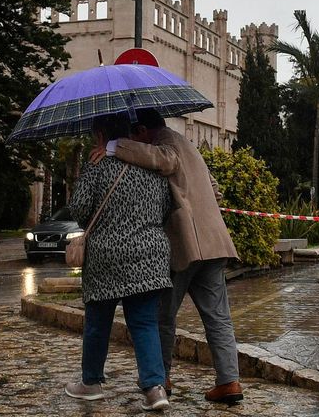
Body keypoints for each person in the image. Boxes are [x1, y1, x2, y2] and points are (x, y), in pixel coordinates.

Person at [101, 107, 243, 404]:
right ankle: (229, 381)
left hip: (185, 245)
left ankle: (161, 378)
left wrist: (113, 147)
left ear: (142, 131)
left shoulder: (167, 144)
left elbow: (164, 159)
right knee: (218, 318)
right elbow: (214, 190)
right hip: (214, 242)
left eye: (134, 136)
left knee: (161, 316)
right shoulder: (190, 145)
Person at [65, 113, 173, 412]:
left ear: (100, 134)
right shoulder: (152, 168)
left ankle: (91, 383)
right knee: (145, 323)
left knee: (98, 322)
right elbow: (165, 209)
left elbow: (80, 208)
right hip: (151, 254)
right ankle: (155, 389)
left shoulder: (97, 166)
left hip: (107, 257)